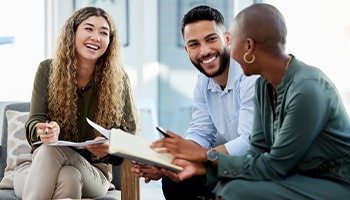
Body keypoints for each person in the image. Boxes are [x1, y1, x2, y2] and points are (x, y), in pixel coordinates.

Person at [159, 3, 350, 199]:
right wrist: (193, 166)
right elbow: (256, 151)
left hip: (331, 181)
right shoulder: (263, 86)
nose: (228, 51)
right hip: (291, 174)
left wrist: (202, 158)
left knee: (236, 190)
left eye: (233, 42)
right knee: (202, 183)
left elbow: (275, 165)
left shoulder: (307, 88)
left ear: (248, 46)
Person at [132, 5, 258, 199]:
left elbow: (247, 143)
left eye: (211, 39)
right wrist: (168, 162)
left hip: (257, 168)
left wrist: (197, 158)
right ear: (186, 49)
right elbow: (200, 131)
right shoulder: (203, 81)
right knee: (175, 180)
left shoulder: (249, 75)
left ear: (227, 38)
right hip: (223, 164)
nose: (205, 51)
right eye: (194, 44)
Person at [13, 6, 138, 200]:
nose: (96, 37)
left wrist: (110, 146)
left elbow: (130, 137)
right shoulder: (47, 70)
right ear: (73, 33)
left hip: (93, 172)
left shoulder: (119, 80)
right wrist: (45, 131)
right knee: (69, 177)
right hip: (35, 166)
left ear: (110, 42)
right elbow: (34, 123)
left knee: (54, 155)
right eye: (88, 29)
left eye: (103, 33)